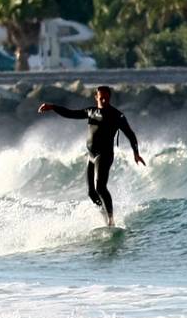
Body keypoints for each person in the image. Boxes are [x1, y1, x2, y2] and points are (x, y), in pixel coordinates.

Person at [39, 86, 145, 226]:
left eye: (106, 98)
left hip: (105, 155)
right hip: (91, 156)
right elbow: (71, 113)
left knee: (100, 187)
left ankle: (111, 220)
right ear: (96, 97)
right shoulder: (91, 111)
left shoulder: (117, 115)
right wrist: (53, 107)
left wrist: (136, 153)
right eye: (101, 98)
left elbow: (130, 134)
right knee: (91, 193)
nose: (104, 100)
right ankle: (104, 216)